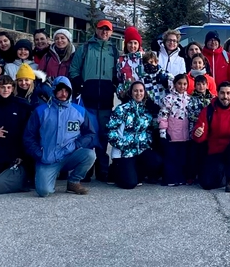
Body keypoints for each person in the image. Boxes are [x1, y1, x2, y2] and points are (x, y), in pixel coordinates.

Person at [23, 77, 97, 196]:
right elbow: (29, 136)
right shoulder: (41, 111)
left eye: (66, 91)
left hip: (70, 154)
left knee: (90, 155)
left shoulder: (79, 111)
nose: (63, 94)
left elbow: (90, 133)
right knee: (44, 192)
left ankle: (73, 182)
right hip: (47, 158)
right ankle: (48, 176)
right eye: (60, 90)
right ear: (53, 90)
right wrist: (38, 153)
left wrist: (77, 144)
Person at [69, 19, 118, 182]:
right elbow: (74, 69)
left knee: (104, 134)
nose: (104, 32)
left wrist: (115, 85)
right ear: (96, 30)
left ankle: (102, 169)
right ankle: (86, 169)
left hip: (105, 99)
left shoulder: (114, 50)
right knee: (88, 133)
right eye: (102, 29)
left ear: (111, 32)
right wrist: (80, 86)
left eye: (108, 30)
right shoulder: (85, 48)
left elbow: (118, 73)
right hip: (88, 99)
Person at [192, 81, 230, 192]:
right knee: (206, 184)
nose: (225, 96)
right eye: (222, 93)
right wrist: (198, 134)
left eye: (228, 93)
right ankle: (225, 174)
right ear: (217, 93)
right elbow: (200, 135)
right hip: (215, 151)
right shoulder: (208, 110)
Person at [107, 81, 163, 189]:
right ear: (131, 92)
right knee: (129, 184)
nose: (138, 93)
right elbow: (111, 131)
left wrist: (146, 142)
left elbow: (148, 130)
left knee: (156, 161)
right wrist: (122, 144)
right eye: (135, 91)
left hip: (140, 149)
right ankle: (115, 170)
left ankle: (135, 172)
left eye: (141, 91)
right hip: (124, 151)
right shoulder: (122, 109)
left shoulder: (146, 110)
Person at [158, 74, 191, 186]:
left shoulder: (188, 99)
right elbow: (163, 115)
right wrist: (163, 132)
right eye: (179, 83)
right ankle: (170, 178)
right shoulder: (168, 98)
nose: (182, 86)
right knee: (171, 157)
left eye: (185, 84)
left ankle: (180, 177)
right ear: (175, 84)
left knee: (182, 158)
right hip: (172, 133)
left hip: (185, 134)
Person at [116, 26, 144, 97]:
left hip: (142, 97)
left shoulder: (144, 59)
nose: (132, 46)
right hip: (127, 97)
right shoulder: (121, 60)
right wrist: (120, 92)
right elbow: (118, 80)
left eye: (135, 43)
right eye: (130, 43)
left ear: (139, 45)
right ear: (126, 44)